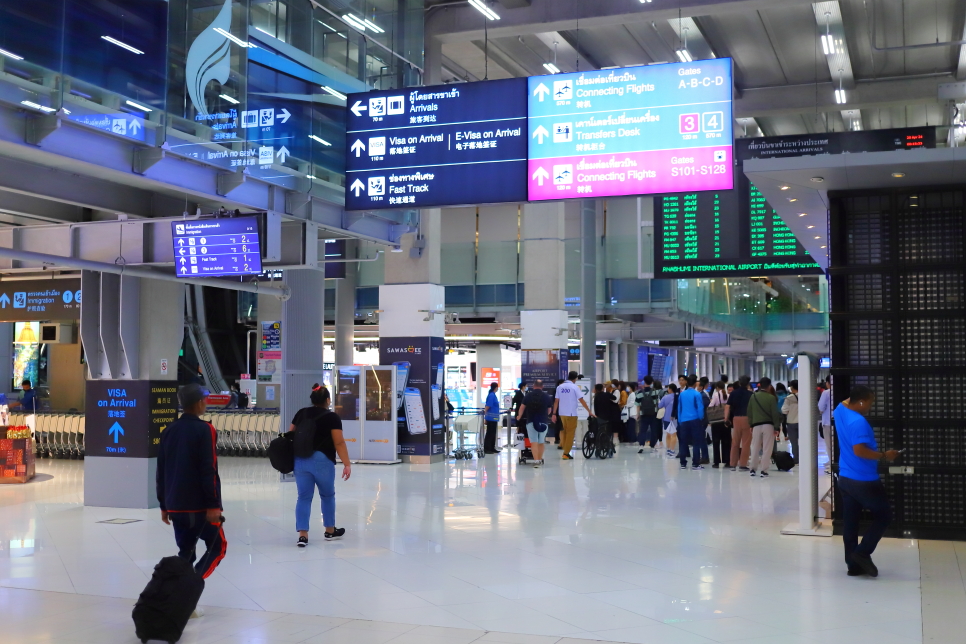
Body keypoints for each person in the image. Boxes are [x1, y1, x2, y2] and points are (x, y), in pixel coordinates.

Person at [156, 384, 226, 582]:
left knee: (186, 553)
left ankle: (179, 597)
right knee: (218, 547)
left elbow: (161, 470)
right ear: (199, 403)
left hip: (175, 505)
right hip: (200, 507)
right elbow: (208, 469)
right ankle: (190, 588)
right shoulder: (205, 429)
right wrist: (213, 504)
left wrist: (164, 504)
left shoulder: (169, 430)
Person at [834, 385, 898, 577]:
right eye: (870, 402)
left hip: (845, 477)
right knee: (884, 515)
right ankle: (862, 553)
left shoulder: (840, 410)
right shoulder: (858, 422)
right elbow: (860, 451)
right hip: (864, 480)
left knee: (851, 523)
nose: (870, 406)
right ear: (861, 402)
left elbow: (846, 400)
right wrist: (885, 455)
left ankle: (853, 566)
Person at [289, 386, 351, 546]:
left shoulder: (301, 413)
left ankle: (303, 535)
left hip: (301, 460)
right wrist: (347, 463)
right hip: (322, 460)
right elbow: (339, 442)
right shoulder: (332, 417)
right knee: (327, 495)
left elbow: (290, 434)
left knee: (303, 497)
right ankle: (330, 530)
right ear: (327, 400)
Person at [552, 371, 594, 460]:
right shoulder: (574, 387)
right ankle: (566, 453)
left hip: (562, 413)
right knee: (570, 433)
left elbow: (556, 401)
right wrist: (589, 411)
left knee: (565, 432)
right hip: (571, 414)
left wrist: (554, 413)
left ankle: (565, 449)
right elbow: (581, 400)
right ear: (576, 379)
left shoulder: (560, 387)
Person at [747, 377, 782, 477]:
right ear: (769, 386)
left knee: (755, 447)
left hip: (756, 425)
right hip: (768, 425)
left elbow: (749, 412)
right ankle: (764, 470)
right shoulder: (771, 398)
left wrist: (751, 424)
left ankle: (752, 469)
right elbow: (775, 414)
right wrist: (776, 427)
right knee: (767, 448)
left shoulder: (753, 397)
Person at [517, 379, 552, 467]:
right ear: (542, 386)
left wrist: (519, 416)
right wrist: (545, 415)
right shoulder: (546, 396)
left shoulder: (528, 395)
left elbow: (522, 407)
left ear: (533, 386)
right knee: (541, 442)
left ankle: (536, 461)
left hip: (531, 421)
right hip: (543, 422)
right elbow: (549, 410)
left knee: (534, 442)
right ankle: (539, 460)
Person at [725, 376, 753, 471]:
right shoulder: (751, 394)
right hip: (747, 419)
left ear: (739, 383)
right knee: (746, 443)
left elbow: (727, 406)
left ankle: (732, 464)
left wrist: (726, 419)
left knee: (735, 442)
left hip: (736, 418)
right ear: (748, 384)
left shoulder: (733, 393)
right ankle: (743, 464)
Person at [636, 376, 662, 453]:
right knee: (654, 430)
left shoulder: (639, 392)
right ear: (652, 382)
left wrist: (638, 414)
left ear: (644, 382)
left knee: (642, 430)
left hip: (643, 414)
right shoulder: (655, 392)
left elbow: (638, 405)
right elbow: (657, 403)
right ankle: (653, 446)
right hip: (653, 413)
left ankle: (641, 445)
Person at [709, 381, 730, 468]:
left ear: (717, 387)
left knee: (716, 441)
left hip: (717, 421)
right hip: (725, 420)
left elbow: (711, 406)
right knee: (726, 441)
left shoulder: (716, 395)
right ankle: (727, 461)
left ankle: (717, 462)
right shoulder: (728, 395)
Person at [782, 380, 800, 464]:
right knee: (804, 441)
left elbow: (784, 410)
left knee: (794, 442)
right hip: (803, 423)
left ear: (792, 388)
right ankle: (805, 457)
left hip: (791, 422)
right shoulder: (806, 396)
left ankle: (796, 459)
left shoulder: (788, 398)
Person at [818, 376, 833, 473]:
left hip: (828, 422)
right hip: (840, 422)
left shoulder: (826, 393)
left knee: (829, 445)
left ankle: (832, 465)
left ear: (828, 383)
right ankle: (833, 462)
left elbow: (821, 407)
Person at [659, 383, 679, 456]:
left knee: (668, 434)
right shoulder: (678, 397)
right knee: (674, 434)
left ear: (670, 389)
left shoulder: (665, 397)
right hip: (676, 418)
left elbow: (660, 405)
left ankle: (668, 449)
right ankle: (672, 450)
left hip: (667, 417)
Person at [483, 382, 501, 454]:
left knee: (493, 433)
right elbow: (488, 405)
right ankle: (487, 448)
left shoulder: (493, 395)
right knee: (490, 433)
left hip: (494, 418)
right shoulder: (491, 395)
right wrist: (485, 416)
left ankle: (492, 447)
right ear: (495, 388)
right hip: (491, 417)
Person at [624, 382, 638, 446]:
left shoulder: (632, 394)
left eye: (628, 387)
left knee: (632, 427)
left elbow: (632, 403)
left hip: (632, 413)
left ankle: (633, 439)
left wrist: (626, 405)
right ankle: (631, 439)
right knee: (631, 426)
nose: (627, 388)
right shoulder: (630, 394)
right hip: (630, 412)